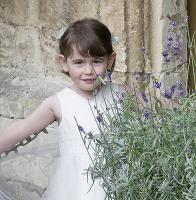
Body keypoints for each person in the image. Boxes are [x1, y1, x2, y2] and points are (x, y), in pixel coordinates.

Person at [0, 18, 122, 200]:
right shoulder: (58, 103)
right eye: (79, 62)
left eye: (96, 61)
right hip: (74, 189)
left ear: (110, 60)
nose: (88, 70)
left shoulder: (121, 94)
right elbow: (21, 128)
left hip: (120, 183)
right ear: (64, 62)